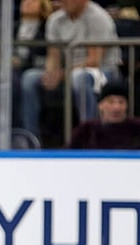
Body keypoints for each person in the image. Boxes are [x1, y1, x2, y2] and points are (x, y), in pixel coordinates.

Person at [20, 0, 121, 140]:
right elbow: (53, 55)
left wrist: (62, 74)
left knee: (79, 78)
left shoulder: (98, 17)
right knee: (29, 78)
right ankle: (31, 140)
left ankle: (89, 137)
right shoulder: (55, 19)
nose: (62, 2)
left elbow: (94, 60)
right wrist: (51, 74)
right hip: (68, 71)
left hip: (102, 71)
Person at [67, 81, 140, 148]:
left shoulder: (137, 127)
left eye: (121, 102)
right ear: (100, 105)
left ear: (127, 106)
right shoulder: (86, 130)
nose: (116, 107)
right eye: (111, 102)